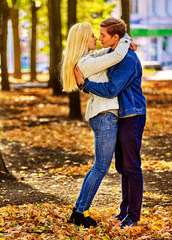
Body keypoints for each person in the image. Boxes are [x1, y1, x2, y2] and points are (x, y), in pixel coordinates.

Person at [75, 17, 146, 228]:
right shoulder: (114, 54)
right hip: (119, 115)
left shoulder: (127, 60)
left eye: (104, 35)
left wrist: (84, 85)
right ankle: (124, 210)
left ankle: (133, 215)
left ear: (115, 37)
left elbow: (111, 89)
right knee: (123, 167)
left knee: (132, 167)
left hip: (132, 115)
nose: (99, 38)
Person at [61, 22, 134, 228]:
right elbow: (115, 56)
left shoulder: (88, 59)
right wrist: (125, 37)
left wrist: (125, 42)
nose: (96, 38)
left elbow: (108, 51)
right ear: (84, 39)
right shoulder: (85, 63)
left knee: (100, 166)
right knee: (100, 166)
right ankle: (79, 211)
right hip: (104, 116)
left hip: (104, 115)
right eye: (93, 35)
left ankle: (79, 210)